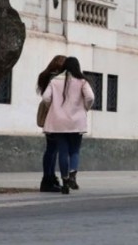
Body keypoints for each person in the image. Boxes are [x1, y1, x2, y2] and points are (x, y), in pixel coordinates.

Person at [41, 56, 94, 194]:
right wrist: (85, 108)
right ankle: (72, 174)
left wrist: (53, 107)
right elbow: (90, 97)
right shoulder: (82, 81)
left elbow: (46, 97)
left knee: (63, 152)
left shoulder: (55, 81)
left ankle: (64, 182)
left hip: (58, 122)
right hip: (76, 122)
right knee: (74, 151)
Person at [36, 55, 66, 193]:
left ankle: (51, 177)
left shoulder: (45, 76)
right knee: (52, 149)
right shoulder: (56, 78)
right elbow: (49, 97)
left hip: (49, 116)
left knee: (52, 148)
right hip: (54, 116)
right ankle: (47, 179)